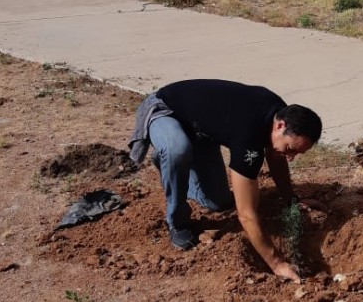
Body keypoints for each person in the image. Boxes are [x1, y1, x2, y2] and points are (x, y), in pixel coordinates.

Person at [128, 79, 322, 282]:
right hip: (165, 110)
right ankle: (177, 222)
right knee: (177, 149)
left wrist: (291, 199)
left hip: (200, 132)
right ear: (280, 126)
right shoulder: (249, 135)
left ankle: (176, 166)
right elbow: (246, 215)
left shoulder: (280, 114)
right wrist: (277, 263)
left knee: (218, 202)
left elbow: (276, 156)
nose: (291, 157)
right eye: (291, 149)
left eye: (297, 153)